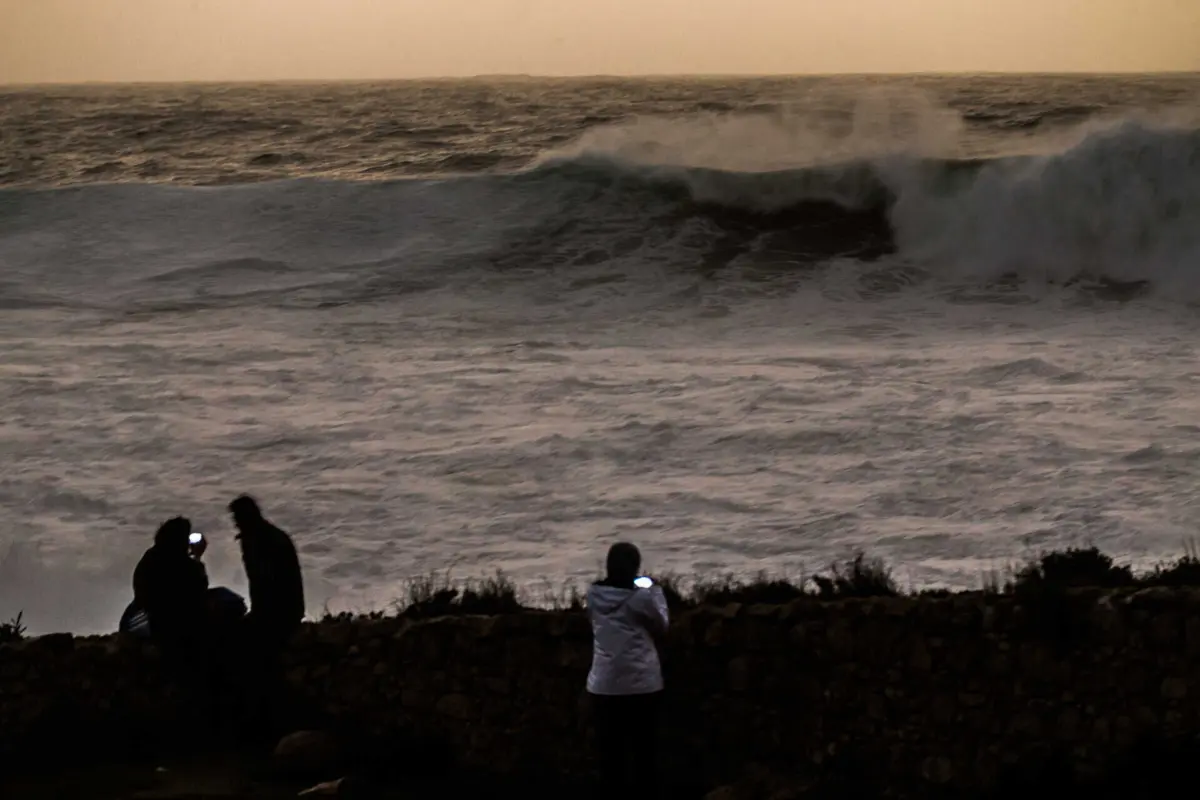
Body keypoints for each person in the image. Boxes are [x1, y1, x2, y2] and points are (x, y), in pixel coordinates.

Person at [586, 542, 670, 796]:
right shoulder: (642, 596)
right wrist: (654, 589)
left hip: (603, 686)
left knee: (610, 759)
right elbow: (662, 624)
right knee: (645, 756)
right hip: (642, 684)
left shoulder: (594, 594)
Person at [228, 494, 305, 741]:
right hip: (276, 611)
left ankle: (264, 727)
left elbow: (269, 583)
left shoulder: (264, 541)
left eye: (237, 519)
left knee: (259, 666)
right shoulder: (262, 538)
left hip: (279, 613)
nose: (235, 524)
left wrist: (260, 616)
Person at [131, 516, 209, 660]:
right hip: (173, 624)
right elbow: (199, 586)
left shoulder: (151, 556)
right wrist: (197, 557)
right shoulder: (181, 563)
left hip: (153, 620)